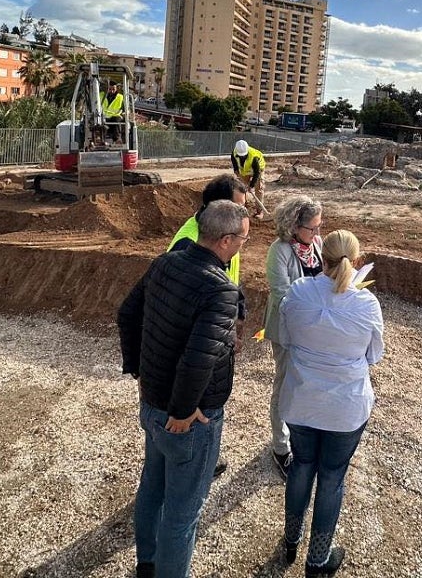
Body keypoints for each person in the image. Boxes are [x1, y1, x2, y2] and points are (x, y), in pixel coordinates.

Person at [116, 200, 249, 578]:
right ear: (224, 241)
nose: (243, 245)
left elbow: (127, 314)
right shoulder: (220, 291)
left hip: (152, 402)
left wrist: (139, 373)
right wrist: (181, 411)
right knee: (182, 513)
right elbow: (198, 360)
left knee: (152, 488)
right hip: (188, 418)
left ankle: (148, 564)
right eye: (243, 238)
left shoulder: (164, 262)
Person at [277, 230, 384, 577]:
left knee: (302, 465)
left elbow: (287, 339)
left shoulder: (297, 292)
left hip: (302, 401)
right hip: (345, 407)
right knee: (332, 478)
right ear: (355, 262)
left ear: (322, 258)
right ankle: (318, 560)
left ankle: (290, 542)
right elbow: (374, 356)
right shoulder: (367, 304)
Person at [168, 173, 249, 480]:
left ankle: (202, 453)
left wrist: (236, 319)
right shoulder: (188, 243)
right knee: (197, 403)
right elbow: (180, 320)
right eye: (238, 207)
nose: (244, 216)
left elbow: (230, 281)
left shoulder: (225, 237)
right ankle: (191, 459)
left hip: (218, 329)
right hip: (200, 343)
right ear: (217, 209)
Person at [264, 195, 324, 480]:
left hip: (312, 329)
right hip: (288, 330)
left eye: (319, 227)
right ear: (294, 225)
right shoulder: (279, 251)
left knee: (305, 384)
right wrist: (316, 306)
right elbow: (282, 294)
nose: (317, 234)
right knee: (285, 383)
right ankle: (279, 445)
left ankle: (298, 433)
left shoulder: (317, 245)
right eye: (312, 228)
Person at [231, 139, 266, 217]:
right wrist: (238, 176)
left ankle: (259, 212)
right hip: (244, 171)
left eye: (243, 155)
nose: (242, 156)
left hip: (258, 170)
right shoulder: (234, 153)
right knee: (241, 188)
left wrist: (251, 186)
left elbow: (257, 173)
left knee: (259, 189)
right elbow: (235, 167)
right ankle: (243, 207)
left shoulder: (253, 156)